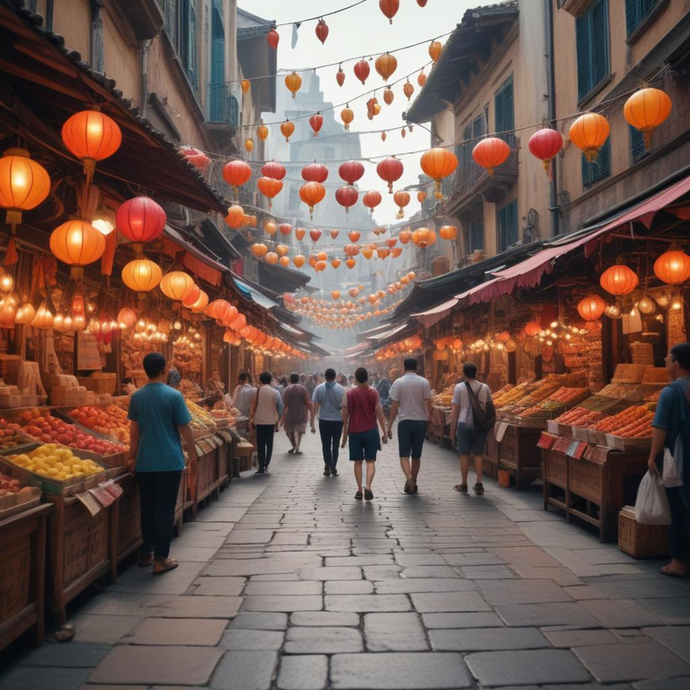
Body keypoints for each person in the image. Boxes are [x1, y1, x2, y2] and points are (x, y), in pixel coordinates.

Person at [127, 352, 197, 574]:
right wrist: (193, 455)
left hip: (145, 461)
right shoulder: (174, 396)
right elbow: (185, 428)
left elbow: (133, 432)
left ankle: (146, 552)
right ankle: (161, 558)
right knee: (166, 509)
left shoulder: (137, 397)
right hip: (169, 461)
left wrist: (131, 457)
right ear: (164, 370)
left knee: (147, 508)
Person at [648, 343, 690, 578]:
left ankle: (679, 562)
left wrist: (652, 456)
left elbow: (660, 428)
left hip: (679, 459)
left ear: (676, 364)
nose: (664, 361)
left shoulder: (670, 392)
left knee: (678, 508)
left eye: (667, 358)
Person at [341, 367, 388, 501]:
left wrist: (345, 428)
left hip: (355, 431)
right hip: (371, 431)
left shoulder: (349, 393)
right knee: (370, 461)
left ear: (355, 378)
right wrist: (384, 432)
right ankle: (368, 487)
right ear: (367, 377)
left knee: (357, 461)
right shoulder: (373, 392)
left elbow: (345, 412)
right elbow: (379, 412)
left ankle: (359, 490)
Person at [387, 358, 432, 494]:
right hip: (420, 422)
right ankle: (414, 480)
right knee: (416, 455)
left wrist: (389, 426)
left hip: (405, 422)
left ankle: (408, 479)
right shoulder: (424, 382)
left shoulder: (398, 382)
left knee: (404, 455)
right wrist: (428, 417)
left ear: (403, 367)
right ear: (416, 367)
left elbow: (394, 406)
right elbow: (428, 402)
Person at [449, 362, 492, 496]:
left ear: (463, 373)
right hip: (480, 425)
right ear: (476, 373)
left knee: (464, 454)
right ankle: (479, 483)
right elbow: (489, 407)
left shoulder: (459, 387)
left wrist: (452, 428)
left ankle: (464, 483)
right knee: (478, 454)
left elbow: (455, 410)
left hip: (463, 424)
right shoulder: (485, 387)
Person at [311, 368, 346, 476]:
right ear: (335, 376)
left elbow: (315, 406)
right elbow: (344, 408)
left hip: (324, 421)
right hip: (337, 421)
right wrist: (345, 422)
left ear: (325, 377)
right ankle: (333, 467)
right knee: (335, 445)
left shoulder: (318, 388)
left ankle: (327, 466)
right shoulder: (342, 389)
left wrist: (312, 421)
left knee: (325, 445)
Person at [249, 371, 284, 474]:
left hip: (259, 421)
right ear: (270, 379)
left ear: (260, 380)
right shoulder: (275, 392)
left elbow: (253, 404)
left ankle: (261, 466)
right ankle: (266, 463)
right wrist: (278, 417)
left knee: (260, 443)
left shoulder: (258, 391)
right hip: (271, 421)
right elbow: (280, 406)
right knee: (269, 442)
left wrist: (251, 417)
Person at [282, 373, 311, 454]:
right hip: (301, 412)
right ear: (298, 379)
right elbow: (307, 401)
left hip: (290, 413)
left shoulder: (287, 389)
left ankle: (294, 445)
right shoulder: (303, 389)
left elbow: (284, 401)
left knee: (289, 431)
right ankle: (297, 446)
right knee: (299, 431)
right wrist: (310, 412)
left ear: (290, 380)